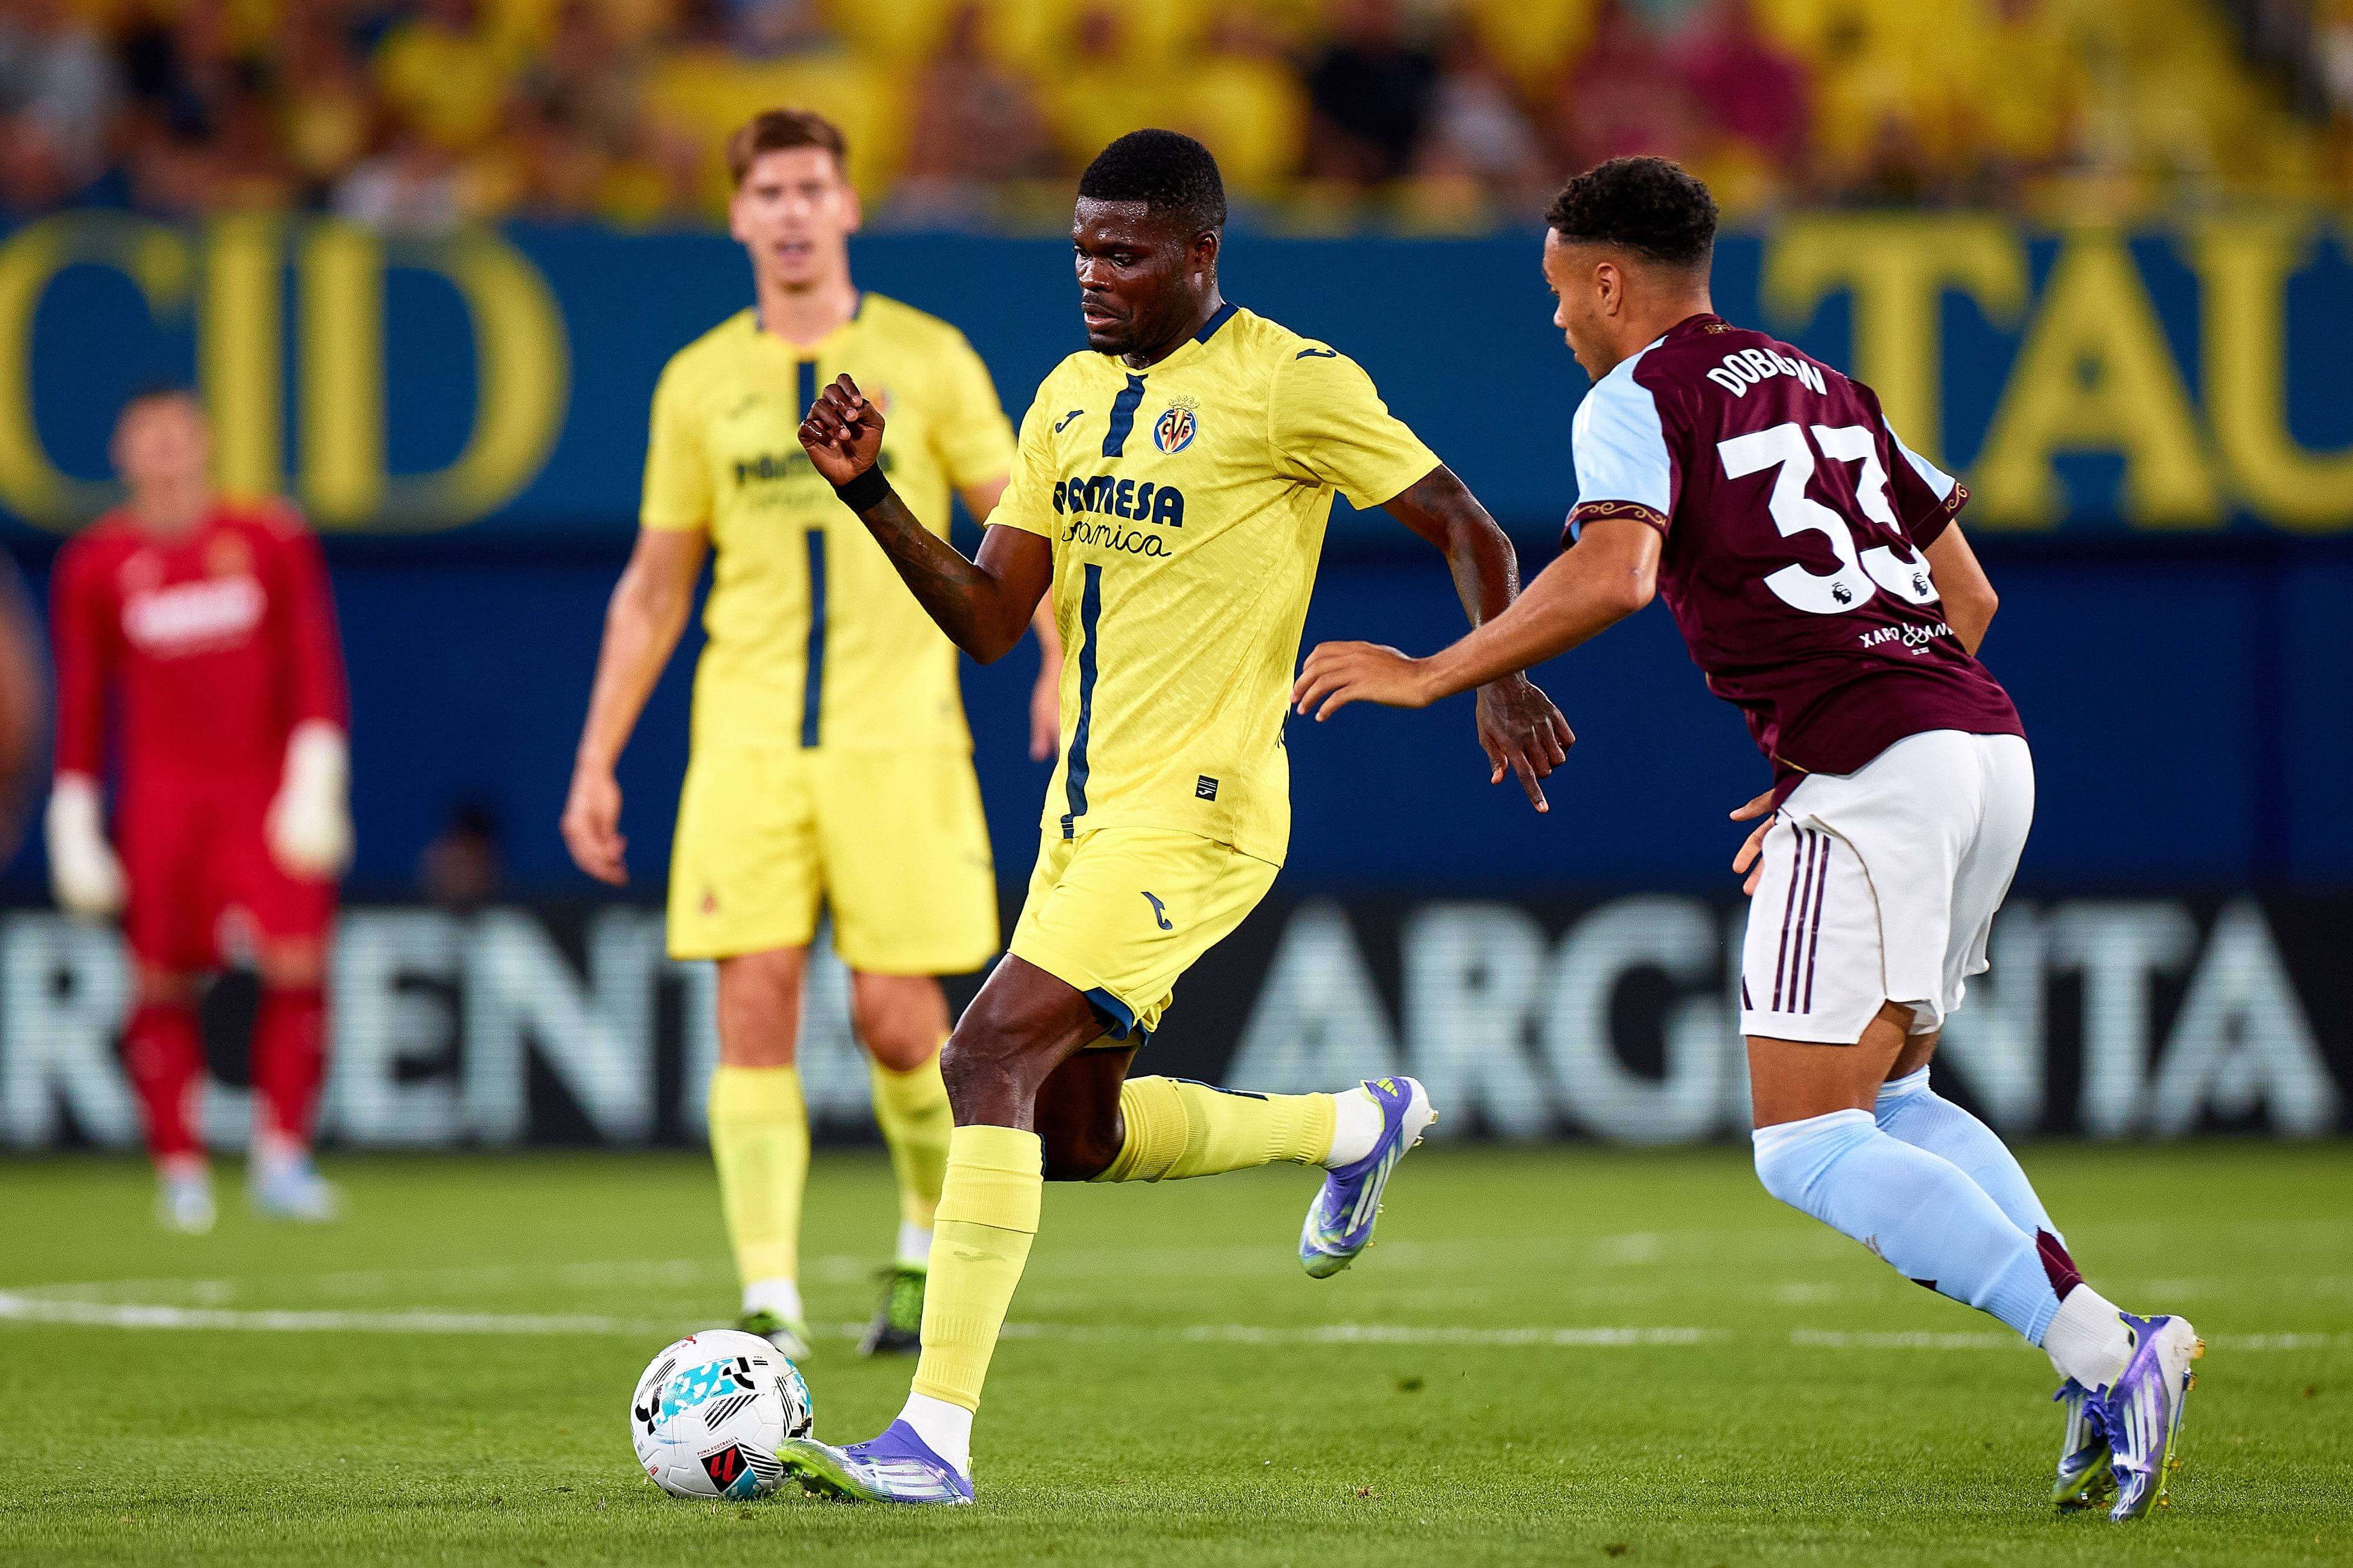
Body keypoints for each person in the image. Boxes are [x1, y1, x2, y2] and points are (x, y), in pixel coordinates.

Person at [1291, 155, 2201, 1524]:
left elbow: (1616, 572)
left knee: (1805, 1144)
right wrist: (1846, 739)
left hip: (1889, 770)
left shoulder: (1633, 397)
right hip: (1982, 747)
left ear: (1609, 282)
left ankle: (2102, 1348)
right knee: (1891, 1099)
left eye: (1559, 291)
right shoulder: (1828, 386)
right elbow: (1965, 593)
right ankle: (2094, 1356)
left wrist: (1434, 672)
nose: (1556, 319)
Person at [780, 128, 1572, 1504]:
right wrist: (870, 497)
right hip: (1082, 818)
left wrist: (1489, 679)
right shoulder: (1066, 397)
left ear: (1201, 253)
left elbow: (1472, 529)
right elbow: (991, 620)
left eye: (1125, 253)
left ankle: (930, 1440)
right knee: (1072, 1137)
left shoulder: (1288, 382)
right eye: (1082, 249)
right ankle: (1351, 1126)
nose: (1094, 275)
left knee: (982, 1055)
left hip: (1202, 811)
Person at [561, 108, 1061, 1362]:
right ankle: (769, 1298)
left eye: (810, 189)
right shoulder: (697, 382)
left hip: (899, 737)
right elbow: (654, 587)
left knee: (897, 1020)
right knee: (754, 1003)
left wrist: (1061, 662)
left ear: (846, 207)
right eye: (769, 192)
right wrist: (596, 755)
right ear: (739, 216)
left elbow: (1022, 524)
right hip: (745, 740)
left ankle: (921, 1240)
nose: (790, 211)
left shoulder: (927, 357)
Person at [48, 387, 352, 1233]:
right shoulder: (97, 565)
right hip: (163, 800)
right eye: (148, 439)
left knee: (298, 965)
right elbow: (84, 700)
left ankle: (282, 1157)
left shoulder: (269, 539)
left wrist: (316, 775)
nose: (165, 454)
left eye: (178, 436)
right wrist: (75, 817)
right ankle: (179, 1168)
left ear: (207, 442)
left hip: (260, 789)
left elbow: (313, 662)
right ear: (122, 454)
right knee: (159, 981)